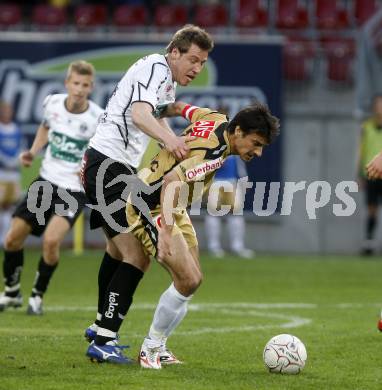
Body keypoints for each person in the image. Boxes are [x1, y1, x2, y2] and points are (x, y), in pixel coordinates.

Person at [85, 100, 280, 367]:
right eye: (256, 143)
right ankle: (150, 348)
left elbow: (178, 107)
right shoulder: (213, 152)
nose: (257, 152)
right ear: (238, 132)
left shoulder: (214, 116)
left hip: (173, 205)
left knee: (193, 279)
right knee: (186, 278)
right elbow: (171, 180)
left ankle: (159, 346)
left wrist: (159, 119)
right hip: (150, 203)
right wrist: (165, 231)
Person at [81, 25, 214, 362]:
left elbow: (155, 113)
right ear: (174, 53)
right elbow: (141, 114)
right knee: (137, 255)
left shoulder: (163, 79)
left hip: (111, 166)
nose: (197, 68)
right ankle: (104, 340)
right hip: (108, 165)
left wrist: (175, 128)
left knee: (116, 249)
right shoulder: (155, 67)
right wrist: (171, 141)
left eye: (202, 63)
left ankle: (100, 327)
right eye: (193, 60)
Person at [0, 60, 103, 315]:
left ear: (91, 87)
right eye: (75, 83)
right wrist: (32, 152)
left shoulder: (97, 118)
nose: (79, 89)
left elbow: (102, 153)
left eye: (85, 85)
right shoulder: (53, 103)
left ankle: (37, 296)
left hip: (72, 190)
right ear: (67, 83)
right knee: (12, 239)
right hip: (46, 181)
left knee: (50, 241)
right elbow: (46, 127)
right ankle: (12, 292)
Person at [204, 155, 255, 258]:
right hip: (214, 181)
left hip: (232, 181)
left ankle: (237, 246)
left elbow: (239, 163)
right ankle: (213, 246)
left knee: (236, 213)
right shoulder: (211, 143)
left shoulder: (235, 146)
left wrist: (244, 178)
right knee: (213, 213)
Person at [358, 94, 382, 255]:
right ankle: (369, 242)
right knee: (372, 209)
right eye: (378, 104)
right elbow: (361, 151)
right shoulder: (366, 127)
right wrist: (360, 174)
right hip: (372, 174)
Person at [0, 100, 22, 245]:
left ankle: (4, 239)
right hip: (1, 171)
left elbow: (20, 147)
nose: (7, 113)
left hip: (13, 173)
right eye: (4, 111)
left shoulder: (15, 129)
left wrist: (15, 159)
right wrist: (6, 159)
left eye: (9, 110)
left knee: (9, 205)